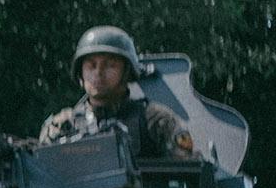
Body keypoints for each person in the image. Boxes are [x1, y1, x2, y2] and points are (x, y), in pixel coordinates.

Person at [37, 25, 195, 157]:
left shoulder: (155, 121)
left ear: (126, 72)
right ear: (80, 72)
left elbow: (191, 175)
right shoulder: (63, 126)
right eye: (91, 65)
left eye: (110, 65)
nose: (98, 73)